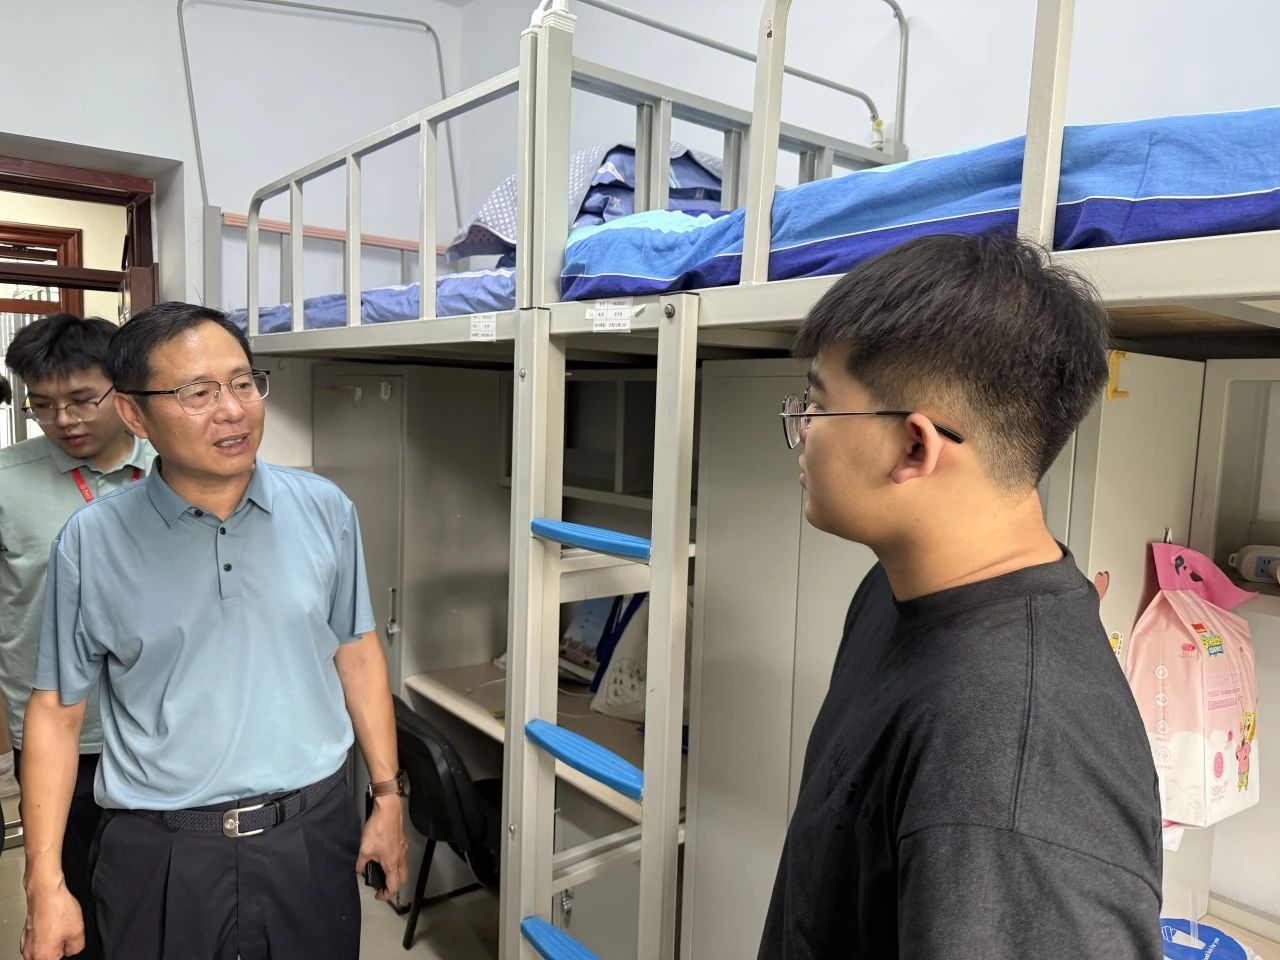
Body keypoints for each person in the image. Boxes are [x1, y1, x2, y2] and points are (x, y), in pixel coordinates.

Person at [761, 232, 1163, 958]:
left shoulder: (1016, 765)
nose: (803, 429)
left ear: (915, 447)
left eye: (817, 405)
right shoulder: (892, 592)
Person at [21, 302, 407, 960]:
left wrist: (388, 798)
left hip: (312, 833)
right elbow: (57, 713)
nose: (232, 410)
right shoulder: (91, 542)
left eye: (243, 383)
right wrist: (45, 883)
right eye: (196, 392)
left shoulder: (325, 510)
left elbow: (358, 653)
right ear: (134, 413)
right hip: (163, 849)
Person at [0, 314, 154, 960]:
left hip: (163, 732)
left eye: (82, 400)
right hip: (56, 737)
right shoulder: (6, 480)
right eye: (41, 405)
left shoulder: (175, 468)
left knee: (162, 904)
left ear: (120, 387)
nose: (62, 420)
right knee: (69, 904)